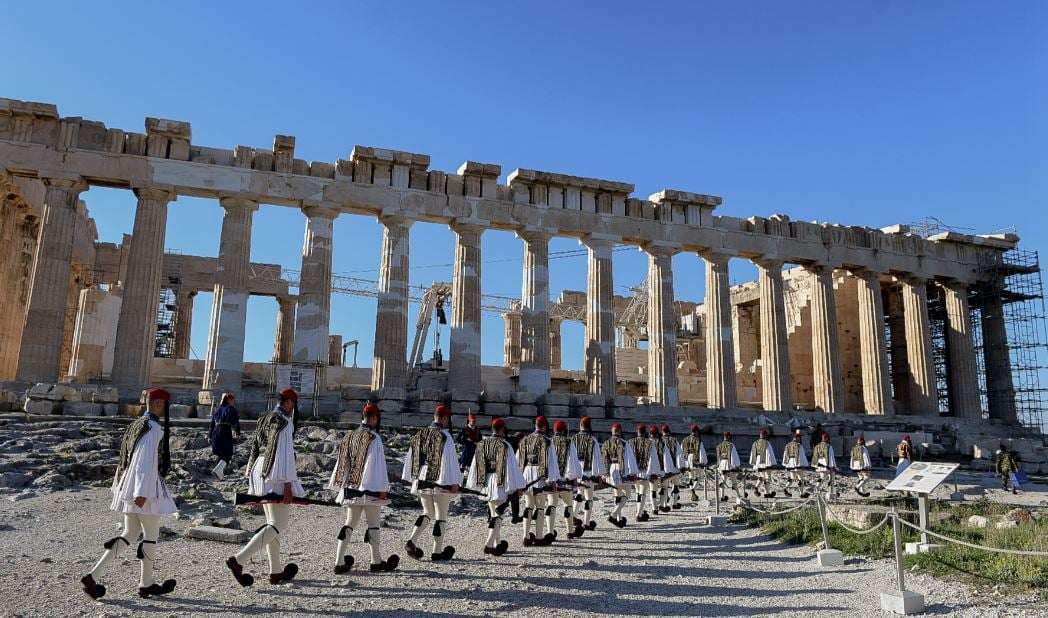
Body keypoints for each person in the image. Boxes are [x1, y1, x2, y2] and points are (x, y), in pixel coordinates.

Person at [81, 388, 177, 600]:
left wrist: (121, 488)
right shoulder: (151, 428)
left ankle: (93, 576)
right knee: (150, 536)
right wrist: (141, 492)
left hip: (129, 486)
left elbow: (124, 460)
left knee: (130, 533)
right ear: (160, 404)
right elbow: (143, 462)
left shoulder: (135, 425)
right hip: (144, 490)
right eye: (164, 407)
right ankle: (146, 584)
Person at [226, 388, 305, 587]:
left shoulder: (264, 418)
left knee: (272, 522)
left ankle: (276, 571)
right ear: (288, 403)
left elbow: (254, 448)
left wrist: (250, 477)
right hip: (276, 471)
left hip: (260, 469)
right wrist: (288, 483)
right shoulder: (284, 422)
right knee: (279, 524)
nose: (293, 408)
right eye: (293, 404)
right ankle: (239, 560)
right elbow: (285, 453)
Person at [328, 403, 399, 574]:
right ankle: (375, 561)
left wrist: (342, 485)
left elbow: (341, 464)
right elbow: (376, 465)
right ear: (374, 418)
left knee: (349, 524)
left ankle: (339, 561)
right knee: (374, 524)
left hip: (351, 488)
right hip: (369, 488)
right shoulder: (374, 438)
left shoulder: (349, 436)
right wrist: (381, 488)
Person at [402, 404, 463, 561]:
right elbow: (449, 460)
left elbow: (413, 457)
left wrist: (414, 476)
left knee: (427, 512)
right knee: (441, 516)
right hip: (440, 478)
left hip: (423, 477)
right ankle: (436, 552)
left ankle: (412, 541)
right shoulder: (445, 436)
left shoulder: (420, 434)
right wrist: (454, 481)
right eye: (447, 418)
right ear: (443, 418)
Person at [467, 418, 526, 556]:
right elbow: (511, 468)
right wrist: (517, 486)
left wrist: (476, 484)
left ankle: (497, 544)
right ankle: (488, 544)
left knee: (494, 514)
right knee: (498, 516)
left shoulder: (481, 444)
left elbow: (475, 466)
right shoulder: (505, 445)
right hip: (499, 483)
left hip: (486, 482)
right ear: (502, 429)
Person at [517, 416, 561, 546]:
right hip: (540, 476)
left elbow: (519, 461)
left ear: (535, 425)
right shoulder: (547, 441)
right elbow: (552, 462)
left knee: (528, 506)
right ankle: (539, 536)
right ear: (544, 426)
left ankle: (525, 536)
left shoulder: (525, 440)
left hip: (526, 474)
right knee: (540, 506)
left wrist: (519, 480)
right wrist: (553, 480)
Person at [549, 420, 584, 539]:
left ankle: (550, 532)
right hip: (565, 479)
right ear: (564, 430)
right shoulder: (569, 442)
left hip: (552, 480)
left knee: (551, 505)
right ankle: (569, 531)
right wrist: (574, 477)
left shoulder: (549, 441)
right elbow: (572, 461)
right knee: (568, 505)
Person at [571, 416, 606, 530]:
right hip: (588, 472)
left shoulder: (573, 439)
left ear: (580, 425)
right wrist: (599, 474)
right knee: (589, 497)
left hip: (577, 471)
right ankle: (586, 522)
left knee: (579, 494)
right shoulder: (592, 440)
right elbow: (597, 458)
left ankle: (574, 515)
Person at [601, 423, 638, 528]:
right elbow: (629, 459)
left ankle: (619, 519)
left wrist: (605, 473)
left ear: (611, 431)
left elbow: (604, 459)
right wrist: (633, 473)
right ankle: (613, 514)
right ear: (620, 431)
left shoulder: (606, 443)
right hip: (621, 469)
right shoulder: (624, 443)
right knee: (627, 493)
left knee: (617, 494)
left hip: (611, 469)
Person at [628, 425, 662, 521]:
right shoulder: (650, 444)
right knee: (642, 494)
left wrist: (629, 472)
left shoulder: (630, 442)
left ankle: (641, 511)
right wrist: (653, 473)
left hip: (634, 473)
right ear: (645, 432)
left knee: (638, 493)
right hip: (644, 472)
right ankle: (638, 514)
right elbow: (653, 459)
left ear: (637, 431)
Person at [209, 392, 241, 479]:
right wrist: (238, 434)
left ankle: (219, 474)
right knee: (228, 453)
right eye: (233, 400)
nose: (234, 401)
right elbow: (236, 424)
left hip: (215, 431)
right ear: (228, 400)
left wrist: (209, 436)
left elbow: (212, 423)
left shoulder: (218, 409)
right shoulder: (232, 409)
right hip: (225, 431)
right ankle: (218, 471)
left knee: (220, 454)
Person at [658, 424, 686, 511]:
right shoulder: (674, 441)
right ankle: (675, 503)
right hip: (674, 468)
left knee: (664, 487)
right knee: (676, 485)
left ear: (662, 432)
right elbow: (679, 454)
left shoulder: (659, 441)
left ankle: (664, 504)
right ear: (669, 431)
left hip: (664, 468)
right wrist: (681, 466)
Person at [680, 424, 708, 501]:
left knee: (690, 477)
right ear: (696, 431)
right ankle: (693, 491)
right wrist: (703, 462)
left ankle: (692, 490)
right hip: (696, 459)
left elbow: (681, 451)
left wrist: (683, 462)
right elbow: (702, 451)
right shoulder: (698, 440)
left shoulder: (685, 440)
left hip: (688, 459)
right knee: (698, 477)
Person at [749, 428, 778, 498]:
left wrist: (754, 463)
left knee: (762, 477)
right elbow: (769, 453)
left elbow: (753, 454)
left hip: (758, 462)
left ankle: (756, 488)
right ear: (765, 435)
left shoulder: (755, 443)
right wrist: (772, 463)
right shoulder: (766, 443)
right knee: (767, 478)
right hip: (766, 461)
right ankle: (767, 493)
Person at [782, 429, 811, 498]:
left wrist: (786, 464)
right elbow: (801, 456)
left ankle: (785, 488)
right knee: (801, 479)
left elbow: (785, 455)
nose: (799, 439)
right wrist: (803, 464)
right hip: (797, 463)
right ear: (797, 438)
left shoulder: (788, 445)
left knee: (792, 478)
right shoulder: (799, 445)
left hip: (790, 463)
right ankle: (801, 494)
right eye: (799, 438)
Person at [716, 432, 743, 502]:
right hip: (729, 464)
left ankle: (722, 496)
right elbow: (734, 456)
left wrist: (719, 466)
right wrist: (737, 466)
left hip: (722, 464)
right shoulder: (731, 445)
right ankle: (738, 496)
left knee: (722, 481)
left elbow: (718, 458)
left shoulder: (719, 446)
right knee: (734, 481)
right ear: (728, 437)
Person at [811, 433, 838, 500]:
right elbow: (831, 457)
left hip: (820, 465)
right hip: (828, 466)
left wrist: (815, 465)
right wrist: (834, 466)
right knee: (831, 478)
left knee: (822, 478)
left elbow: (814, 456)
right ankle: (830, 492)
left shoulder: (817, 446)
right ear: (826, 438)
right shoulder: (829, 446)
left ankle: (816, 489)